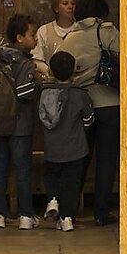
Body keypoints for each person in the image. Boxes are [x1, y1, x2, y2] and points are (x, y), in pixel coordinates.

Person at [57, 0, 119, 226]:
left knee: (79, 159)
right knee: (106, 160)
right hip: (109, 103)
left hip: (80, 104)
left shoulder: (69, 38)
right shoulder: (107, 32)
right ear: (101, 12)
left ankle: (69, 212)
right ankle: (101, 213)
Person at [0, 15, 41, 230]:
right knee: (22, 169)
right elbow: (24, 92)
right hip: (20, 124)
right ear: (20, 38)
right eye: (32, 35)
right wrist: (38, 84)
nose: (36, 39)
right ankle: (26, 215)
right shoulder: (24, 62)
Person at [30, 0, 78, 219]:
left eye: (72, 4)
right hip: (50, 90)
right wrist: (49, 71)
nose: (70, 7)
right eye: (66, 3)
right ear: (56, 7)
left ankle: (61, 201)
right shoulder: (44, 31)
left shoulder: (80, 30)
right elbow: (36, 58)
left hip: (74, 89)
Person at [40, 51, 94, 233]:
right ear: (74, 72)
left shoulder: (45, 94)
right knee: (72, 182)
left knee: (52, 175)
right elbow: (88, 120)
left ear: (51, 72)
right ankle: (67, 218)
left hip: (52, 147)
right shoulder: (80, 95)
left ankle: (53, 199)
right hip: (75, 148)